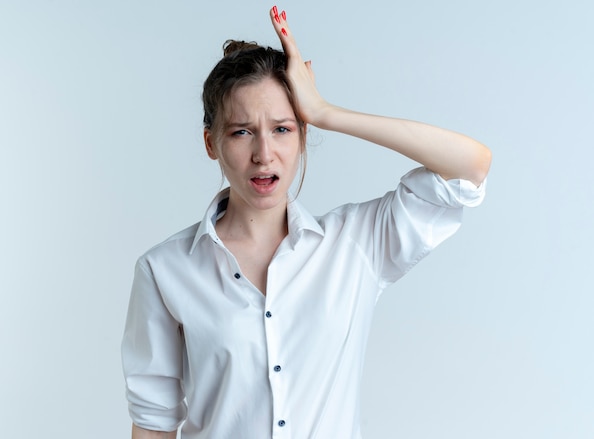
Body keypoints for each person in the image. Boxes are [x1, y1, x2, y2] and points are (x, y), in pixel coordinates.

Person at [121, 5, 492, 439]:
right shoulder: (165, 271)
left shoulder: (355, 244)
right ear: (211, 143)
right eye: (242, 131)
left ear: (302, 134)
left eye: (282, 128)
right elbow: (153, 424)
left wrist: (326, 112)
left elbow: (470, 169)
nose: (264, 153)